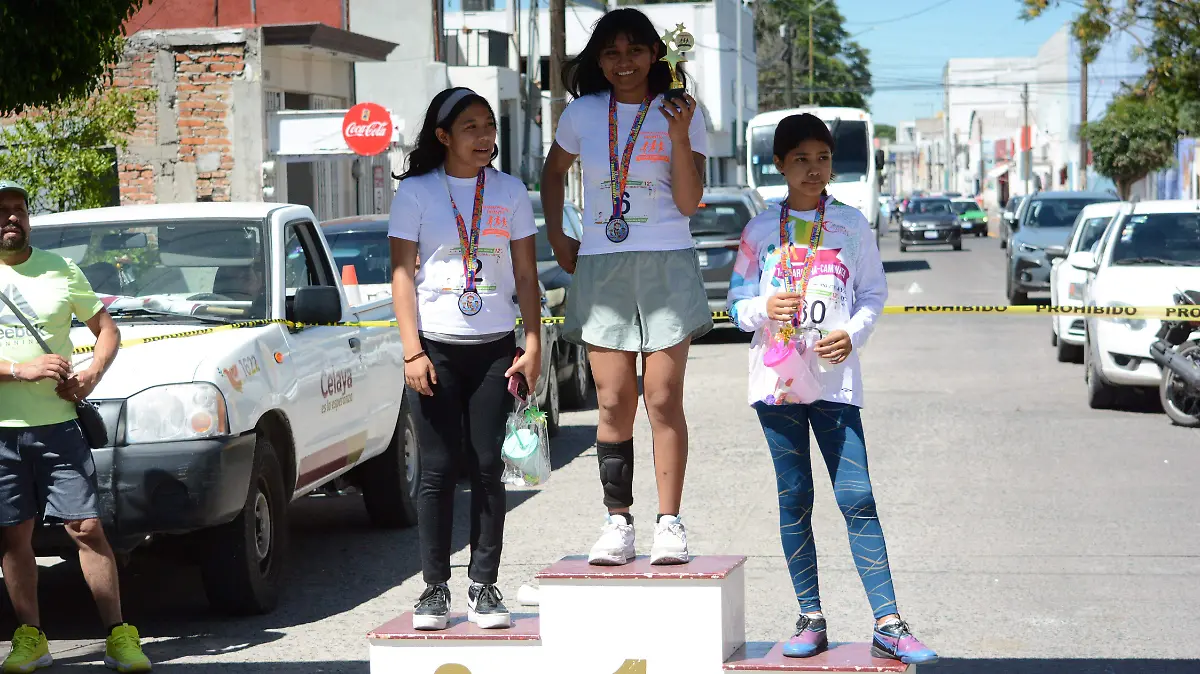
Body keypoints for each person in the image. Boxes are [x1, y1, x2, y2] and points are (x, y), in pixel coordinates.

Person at [725, 116, 938, 665]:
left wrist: (853, 334)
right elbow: (736, 303)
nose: (813, 167)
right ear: (779, 164)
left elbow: (871, 295)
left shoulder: (850, 225)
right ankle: (810, 617)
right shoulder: (757, 231)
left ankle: (888, 623)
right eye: (800, 158)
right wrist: (762, 308)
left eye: (822, 156)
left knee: (857, 496)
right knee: (795, 497)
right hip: (776, 385)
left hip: (836, 382)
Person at [540, 7, 710, 567]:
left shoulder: (682, 111)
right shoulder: (583, 113)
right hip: (602, 263)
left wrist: (680, 136)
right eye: (611, 53)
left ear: (657, 54)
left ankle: (670, 522)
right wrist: (561, 236)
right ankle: (618, 521)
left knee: (662, 397)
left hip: (667, 260)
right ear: (599, 60)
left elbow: (688, 203)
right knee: (612, 398)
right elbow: (552, 173)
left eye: (635, 50)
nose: (623, 62)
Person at [388, 88, 542, 631]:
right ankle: (433, 590)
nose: (485, 138)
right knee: (435, 471)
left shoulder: (510, 191)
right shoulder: (417, 192)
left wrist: (532, 342)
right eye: (471, 127)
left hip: (496, 350)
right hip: (435, 349)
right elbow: (402, 275)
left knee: (486, 468)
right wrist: (412, 351)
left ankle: (482, 584)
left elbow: (526, 274)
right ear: (444, 136)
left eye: (490, 127)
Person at [0, 181, 152, 672]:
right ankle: (31, 638)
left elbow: (107, 329)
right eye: (2, 211)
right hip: (2, 431)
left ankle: (119, 635)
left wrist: (90, 374)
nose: (12, 218)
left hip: (59, 426)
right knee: (12, 537)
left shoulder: (61, 270)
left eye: (19, 210)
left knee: (85, 528)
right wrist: (19, 371)